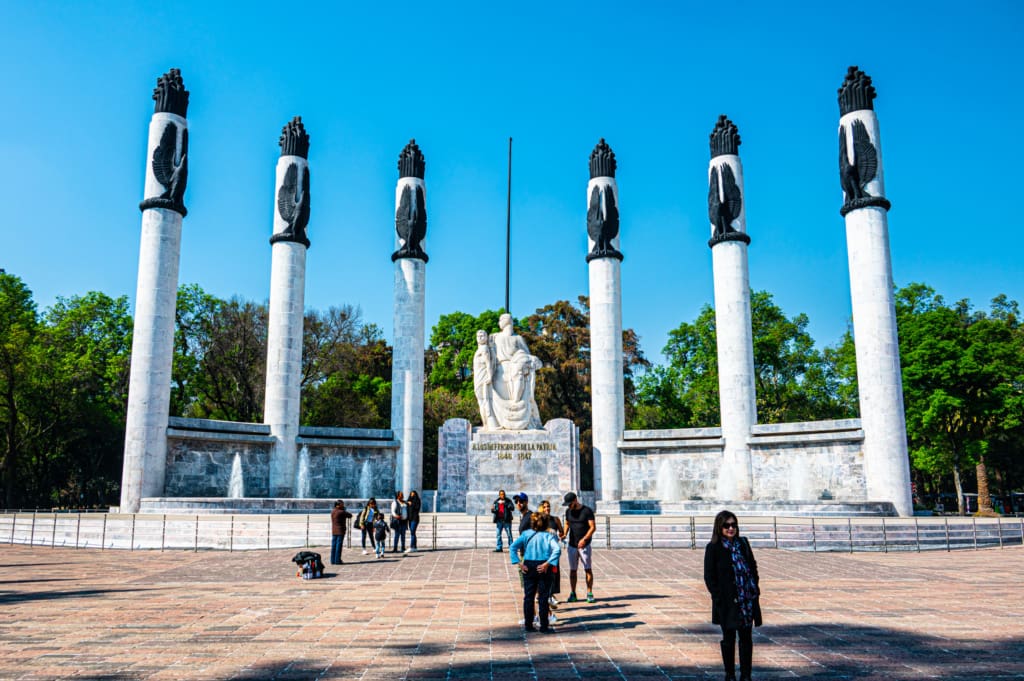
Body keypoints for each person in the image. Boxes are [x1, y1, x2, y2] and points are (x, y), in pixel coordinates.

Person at [704, 510, 762, 681]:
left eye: (734, 525)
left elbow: (752, 566)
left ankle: (746, 675)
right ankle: (729, 674)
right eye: (727, 525)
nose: (731, 528)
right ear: (719, 527)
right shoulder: (713, 547)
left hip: (746, 599)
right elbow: (709, 576)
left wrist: (754, 587)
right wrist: (718, 597)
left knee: (746, 638)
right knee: (728, 638)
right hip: (727, 602)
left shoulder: (743, 543)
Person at [509, 512, 561, 633]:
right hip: (543, 566)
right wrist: (548, 563)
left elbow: (513, 547)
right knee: (543, 597)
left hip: (528, 565)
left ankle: (528, 624)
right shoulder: (548, 536)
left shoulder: (526, 534)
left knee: (528, 597)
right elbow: (557, 550)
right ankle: (543, 626)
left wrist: (519, 562)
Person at [561, 492, 596, 603]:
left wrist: (584, 539)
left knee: (588, 569)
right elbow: (567, 523)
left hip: (584, 545)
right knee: (572, 570)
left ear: (575, 500)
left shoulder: (587, 511)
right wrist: (564, 533)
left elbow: (592, 527)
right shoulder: (568, 511)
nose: (569, 506)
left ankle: (589, 593)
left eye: (570, 504)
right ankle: (573, 593)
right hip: (572, 544)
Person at [538, 499, 564, 608]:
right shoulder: (540, 521)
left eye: (548, 506)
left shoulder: (556, 519)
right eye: (544, 507)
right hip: (543, 552)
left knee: (553, 574)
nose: (547, 508)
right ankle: (543, 595)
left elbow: (562, 532)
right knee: (543, 574)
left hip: (553, 552)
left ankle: (551, 594)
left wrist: (559, 536)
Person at [329, 499, 352, 565]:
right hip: (340, 531)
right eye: (342, 504)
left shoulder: (333, 511)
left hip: (334, 531)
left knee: (334, 546)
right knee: (338, 546)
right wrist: (344, 510)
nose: (343, 505)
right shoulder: (341, 512)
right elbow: (350, 515)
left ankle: (332, 560)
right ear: (338, 505)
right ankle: (337, 560)